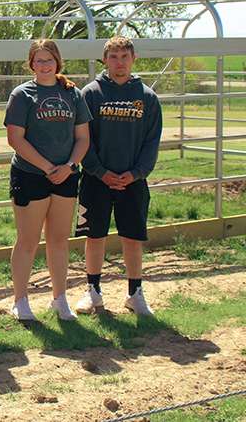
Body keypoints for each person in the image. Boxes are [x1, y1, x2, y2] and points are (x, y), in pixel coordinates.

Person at [73, 36, 162, 316]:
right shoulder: (91, 94)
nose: (119, 62)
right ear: (104, 60)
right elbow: (83, 139)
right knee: (94, 236)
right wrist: (100, 171)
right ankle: (93, 291)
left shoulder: (147, 97)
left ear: (133, 58)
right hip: (96, 180)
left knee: (132, 237)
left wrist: (135, 173)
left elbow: (151, 142)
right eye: (113, 57)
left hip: (132, 182)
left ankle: (135, 293)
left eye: (124, 56)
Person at [4, 39, 91, 321]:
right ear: (31, 64)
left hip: (65, 176)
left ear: (57, 62)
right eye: (39, 60)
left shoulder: (73, 94)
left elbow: (83, 138)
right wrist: (46, 167)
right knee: (27, 240)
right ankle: (21, 300)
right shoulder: (22, 94)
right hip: (31, 175)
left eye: (49, 59)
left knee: (59, 240)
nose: (44, 65)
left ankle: (59, 298)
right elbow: (15, 138)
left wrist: (68, 166)